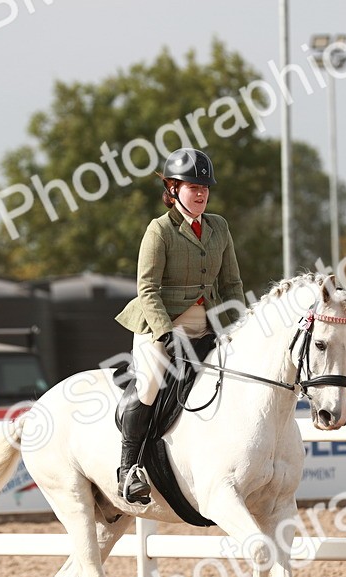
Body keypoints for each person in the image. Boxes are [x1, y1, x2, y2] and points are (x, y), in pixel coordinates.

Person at [112, 148, 246, 502]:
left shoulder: (219, 227)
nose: (201, 193)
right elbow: (147, 289)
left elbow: (232, 284)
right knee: (150, 384)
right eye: (193, 187)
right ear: (173, 189)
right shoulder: (160, 230)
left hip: (209, 326)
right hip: (161, 326)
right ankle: (129, 469)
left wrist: (240, 327)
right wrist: (165, 332)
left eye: (205, 187)